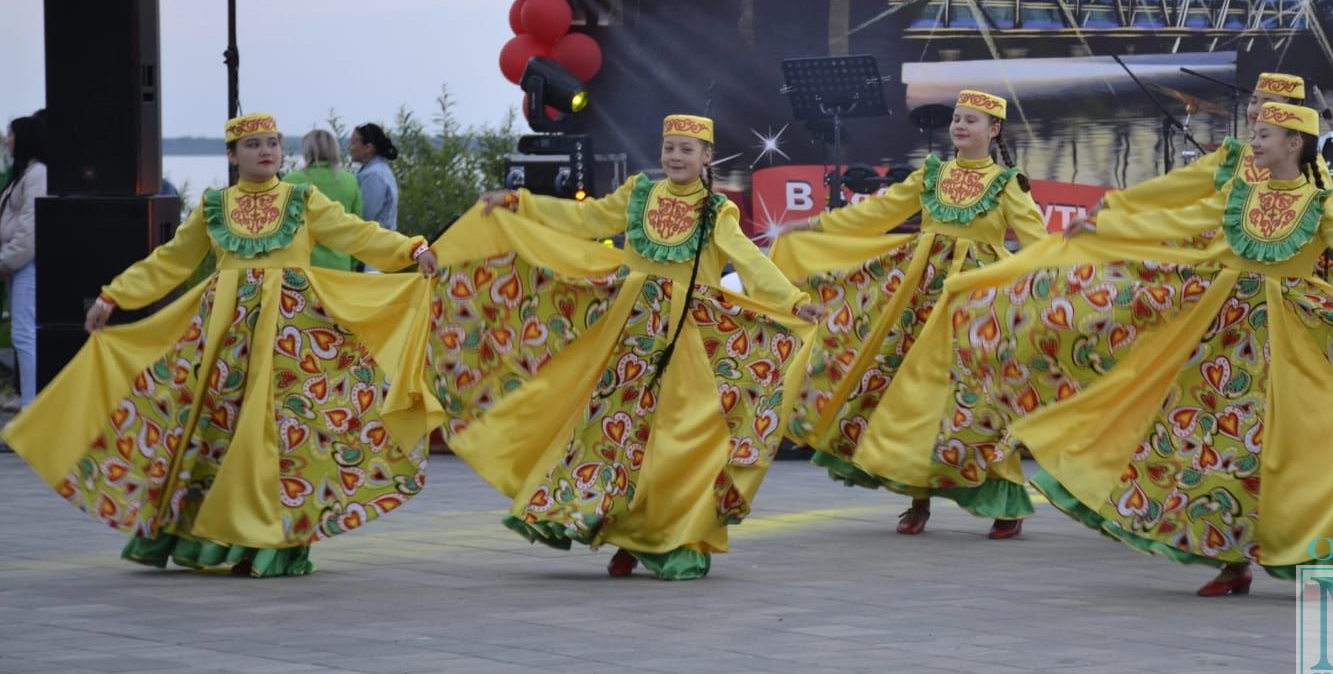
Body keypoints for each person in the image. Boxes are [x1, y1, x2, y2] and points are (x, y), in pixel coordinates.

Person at [927, 102, 1333, 595]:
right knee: (1214, 442)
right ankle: (1232, 562)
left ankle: (1317, 555)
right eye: (1255, 134)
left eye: (1264, 135)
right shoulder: (1240, 197)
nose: (1253, 142)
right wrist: (1107, 222)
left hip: (1292, 339)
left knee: (1301, 445)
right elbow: (1177, 220)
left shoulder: (1324, 205)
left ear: (1294, 143)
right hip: (1226, 335)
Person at [2, 113, 440, 578]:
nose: (266, 151)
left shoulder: (302, 199)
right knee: (218, 432)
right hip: (227, 340)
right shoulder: (214, 206)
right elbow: (169, 261)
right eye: (252, 145)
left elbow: (357, 233)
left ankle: (276, 540)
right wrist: (115, 297)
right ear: (232, 156)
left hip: (293, 335)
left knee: (281, 435)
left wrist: (411, 250)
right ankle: (212, 536)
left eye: (272, 142)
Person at [429, 114, 823, 580]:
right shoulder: (640, 194)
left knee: (675, 441)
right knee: (612, 435)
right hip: (630, 334)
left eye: (686, 149)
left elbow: (751, 262)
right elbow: (583, 218)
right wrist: (520, 203)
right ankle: (619, 532)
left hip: (684, 340)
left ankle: (660, 536)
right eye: (669, 147)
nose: (675, 156)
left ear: (706, 157)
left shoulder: (717, 212)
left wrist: (794, 301)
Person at [770, 89, 1048, 538]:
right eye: (957, 119)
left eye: (971, 120)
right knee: (908, 393)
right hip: (920, 295)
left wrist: (1055, 282)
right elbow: (878, 212)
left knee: (977, 398)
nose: (960, 126)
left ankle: (1006, 499)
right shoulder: (930, 175)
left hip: (975, 300)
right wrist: (814, 226)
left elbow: (1038, 242)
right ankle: (917, 498)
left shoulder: (1007, 182)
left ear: (994, 130)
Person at [1089, 71, 1326, 221]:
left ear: (1295, 111)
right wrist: (1113, 203)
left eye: (1268, 103)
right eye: (1254, 101)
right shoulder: (1233, 157)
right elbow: (1176, 185)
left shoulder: (1312, 168)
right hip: (1223, 260)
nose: (1255, 110)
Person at [0, 115, 46, 408]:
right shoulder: (23, 174)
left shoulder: (38, 174)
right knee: (23, 336)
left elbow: (30, 231)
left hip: (26, 265)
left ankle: (32, 409)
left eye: (11, 134)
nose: (7, 140)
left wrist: (5, 262)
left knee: (24, 335)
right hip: (16, 266)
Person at [284, 128, 364, 270]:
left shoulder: (291, 181)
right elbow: (357, 226)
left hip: (302, 266)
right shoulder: (350, 181)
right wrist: (352, 263)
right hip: (341, 263)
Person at [350, 122, 399, 232]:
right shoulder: (376, 170)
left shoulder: (373, 175)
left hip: (376, 243)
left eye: (353, 143)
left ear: (368, 147)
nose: (350, 148)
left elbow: (365, 216)